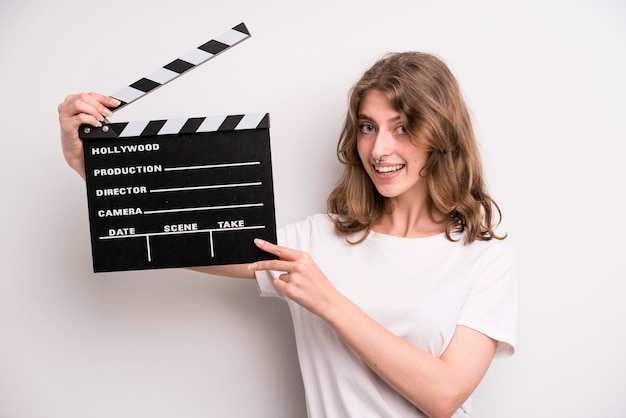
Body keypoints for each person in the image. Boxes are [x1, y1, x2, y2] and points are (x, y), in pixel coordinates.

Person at [58, 51, 517, 418]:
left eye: (402, 128)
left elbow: (444, 397)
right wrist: (93, 169)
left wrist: (328, 300)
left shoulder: (482, 259)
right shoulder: (317, 242)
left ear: (441, 133)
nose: (380, 149)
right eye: (368, 127)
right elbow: (186, 237)